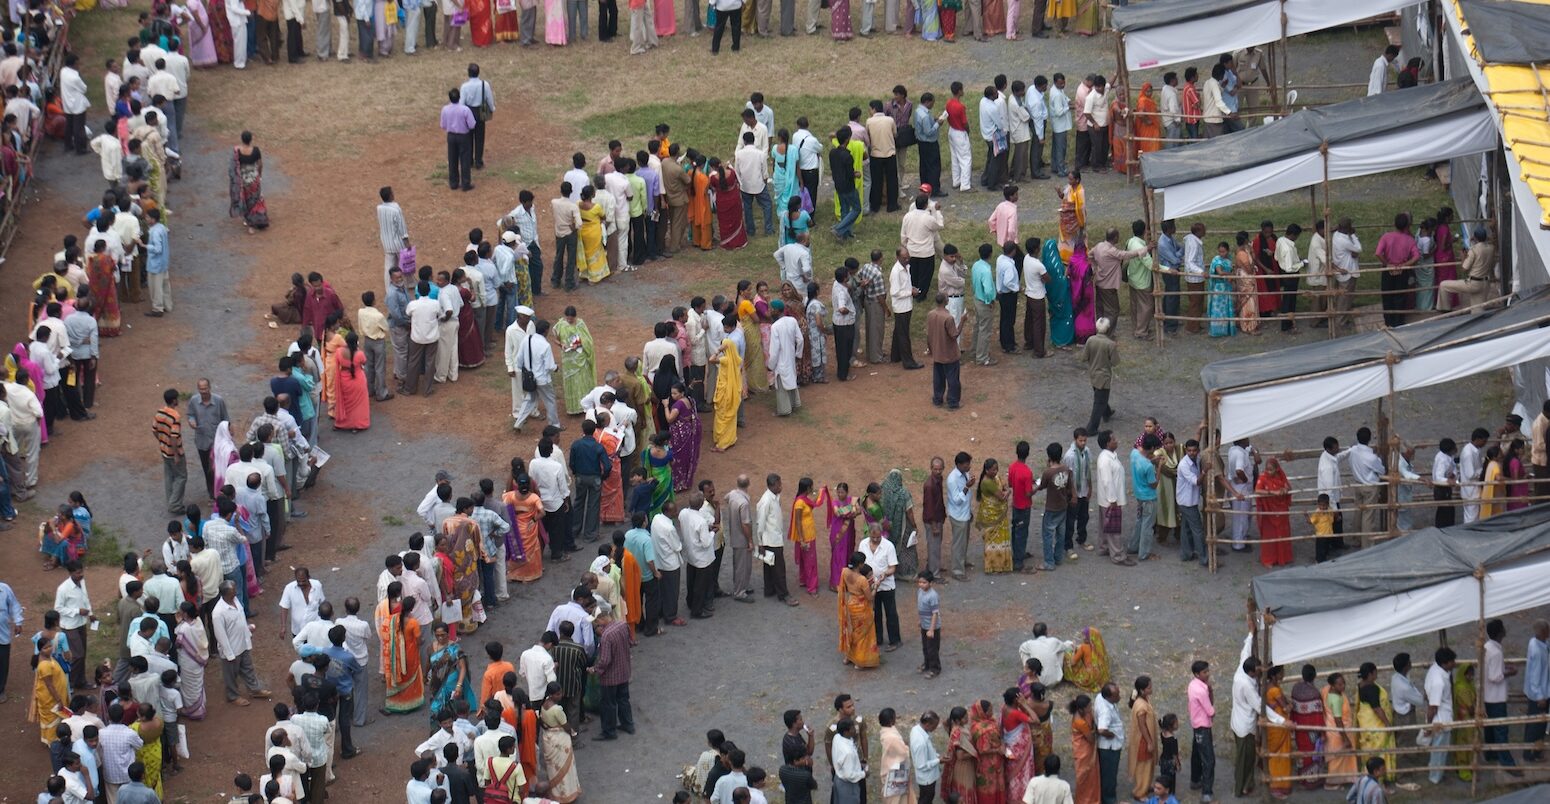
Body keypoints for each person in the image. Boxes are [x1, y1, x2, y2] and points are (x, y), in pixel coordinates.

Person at [975, 458, 1012, 573]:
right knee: (993, 540)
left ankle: (999, 565)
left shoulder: (994, 478)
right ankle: (994, 566)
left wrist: (1006, 490)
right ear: (986, 471)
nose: (995, 472)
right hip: (994, 515)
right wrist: (1009, 491)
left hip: (996, 514)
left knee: (994, 540)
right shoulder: (987, 482)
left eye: (996, 469)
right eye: (993, 470)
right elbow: (1002, 496)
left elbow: (1003, 487)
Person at [925, 292, 960, 409]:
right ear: (946, 301)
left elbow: (929, 334)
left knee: (938, 378)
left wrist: (930, 349)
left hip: (937, 352)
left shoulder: (931, 314)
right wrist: (963, 321)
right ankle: (953, 402)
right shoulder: (948, 318)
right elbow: (954, 335)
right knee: (953, 379)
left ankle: (937, 399)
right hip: (949, 354)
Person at [228, 131, 268, 232]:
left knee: (246, 201)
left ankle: (249, 223)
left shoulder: (237, 151)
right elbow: (260, 164)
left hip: (244, 180)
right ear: (250, 139)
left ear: (242, 139)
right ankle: (258, 219)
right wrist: (260, 175)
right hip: (254, 180)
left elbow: (234, 166)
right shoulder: (256, 150)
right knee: (256, 200)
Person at [1081, 318, 1116, 436]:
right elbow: (1115, 361)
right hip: (1104, 376)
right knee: (1099, 401)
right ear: (1108, 329)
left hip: (1093, 373)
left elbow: (1084, 357)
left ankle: (1107, 412)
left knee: (1100, 396)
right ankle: (1092, 428)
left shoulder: (1090, 340)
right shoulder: (1110, 344)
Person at [1256, 457, 1292, 567]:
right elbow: (1257, 490)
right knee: (1269, 536)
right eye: (1267, 469)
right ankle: (1269, 560)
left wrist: (1285, 490)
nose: (1268, 472)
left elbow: (1288, 487)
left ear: (1276, 469)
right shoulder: (1262, 478)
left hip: (1281, 510)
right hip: (1269, 511)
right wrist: (1272, 492)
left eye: (1271, 469)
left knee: (1283, 533)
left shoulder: (1281, 476)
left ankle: (1283, 558)